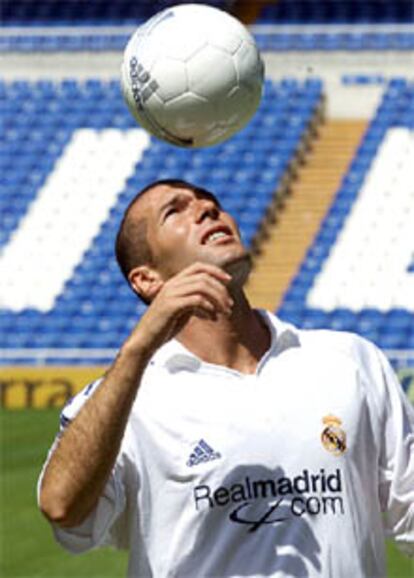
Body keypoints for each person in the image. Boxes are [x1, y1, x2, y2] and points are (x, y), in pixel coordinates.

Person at [38, 178, 414, 577]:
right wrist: (138, 348)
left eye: (210, 201)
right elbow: (63, 507)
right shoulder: (128, 399)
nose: (205, 209)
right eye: (175, 210)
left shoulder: (350, 360)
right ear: (147, 279)